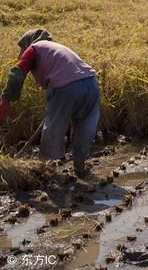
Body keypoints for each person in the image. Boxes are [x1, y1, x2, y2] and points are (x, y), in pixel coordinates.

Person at [0, 29, 99, 177]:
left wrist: (6, 100)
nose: (21, 51)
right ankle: (80, 167)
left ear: (28, 42)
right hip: (91, 83)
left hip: (65, 87)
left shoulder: (34, 48)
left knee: (53, 129)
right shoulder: (56, 48)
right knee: (84, 126)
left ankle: (45, 171)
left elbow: (17, 72)